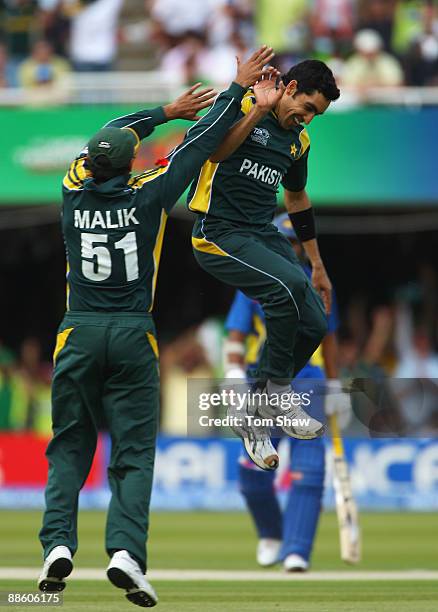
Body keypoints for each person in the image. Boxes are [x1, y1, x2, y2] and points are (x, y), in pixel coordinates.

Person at [37, 45, 276, 607]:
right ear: (128, 164)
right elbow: (198, 148)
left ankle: (56, 546)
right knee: (135, 450)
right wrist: (238, 89)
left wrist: (164, 110)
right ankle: (124, 553)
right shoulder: (150, 192)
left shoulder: (72, 187)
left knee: (70, 443)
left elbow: (114, 126)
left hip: (78, 329)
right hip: (132, 331)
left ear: (91, 164)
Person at [188, 58, 340, 470]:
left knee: (313, 318)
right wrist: (256, 107)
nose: (306, 119)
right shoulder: (243, 107)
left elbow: (296, 199)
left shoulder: (298, 143)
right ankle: (274, 394)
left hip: (261, 233)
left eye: (316, 115)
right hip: (218, 231)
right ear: (289, 88)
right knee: (287, 287)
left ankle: (255, 412)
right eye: (306, 108)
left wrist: (318, 266)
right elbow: (214, 151)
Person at [224, 214, 350, 572]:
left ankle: (297, 550)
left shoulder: (318, 282)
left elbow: (329, 337)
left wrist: (336, 384)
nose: (291, 250)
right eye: (285, 242)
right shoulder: (252, 280)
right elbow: (235, 335)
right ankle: (271, 533)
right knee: (251, 469)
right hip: (263, 380)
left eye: (296, 243)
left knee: (309, 471)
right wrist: (233, 374)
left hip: (307, 379)